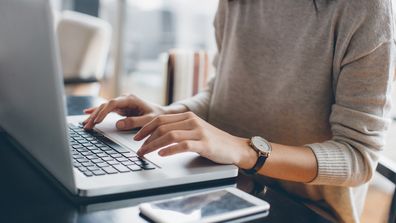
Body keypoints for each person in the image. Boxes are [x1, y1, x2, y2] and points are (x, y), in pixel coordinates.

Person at [83, 0, 395, 222]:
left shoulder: (366, 9)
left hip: (300, 209)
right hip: (218, 183)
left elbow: (358, 157)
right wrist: (166, 115)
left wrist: (246, 150)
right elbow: (219, 94)